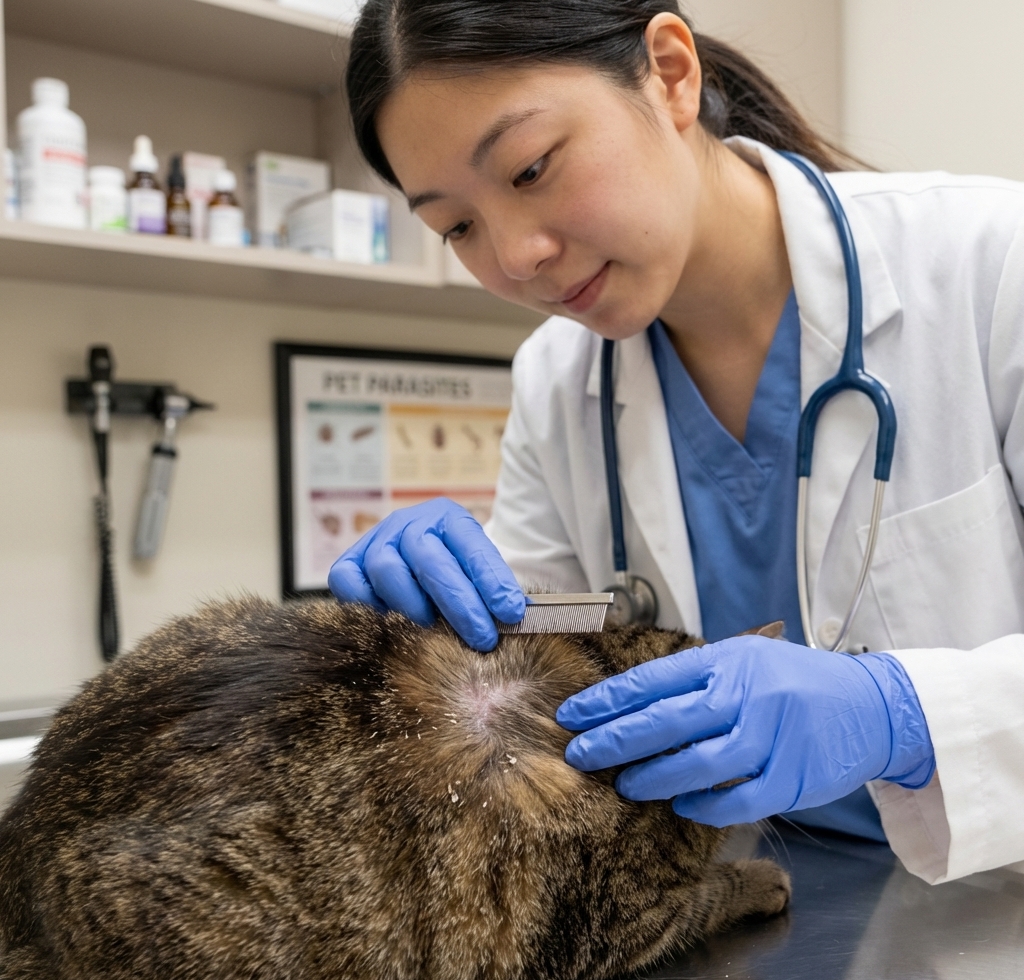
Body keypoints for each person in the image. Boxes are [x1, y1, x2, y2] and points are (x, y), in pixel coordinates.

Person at [329, 0, 1024, 884]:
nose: (515, 256)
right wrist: (435, 628)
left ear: (670, 73)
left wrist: (905, 719)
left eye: (532, 169)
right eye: (457, 227)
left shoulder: (994, 267)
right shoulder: (557, 379)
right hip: (755, 913)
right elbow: (538, 644)